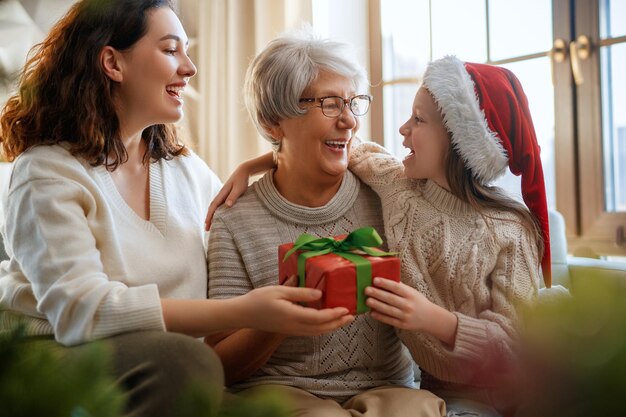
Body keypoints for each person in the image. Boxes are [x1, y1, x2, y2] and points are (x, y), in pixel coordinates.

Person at [0, 2, 354, 416]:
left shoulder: (184, 170)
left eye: (187, 51)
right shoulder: (46, 173)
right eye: (171, 50)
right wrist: (245, 311)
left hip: (168, 369)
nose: (190, 68)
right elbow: (82, 313)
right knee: (186, 363)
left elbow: (345, 157)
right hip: (56, 359)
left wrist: (262, 162)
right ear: (113, 62)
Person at [209, 56, 550, 417]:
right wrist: (255, 164)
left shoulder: (507, 227)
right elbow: (324, 146)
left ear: (459, 141)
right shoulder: (396, 184)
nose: (351, 121)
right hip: (397, 390)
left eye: (418, 119)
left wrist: (434, 319)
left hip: (484, 396)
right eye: (329, 103)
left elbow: (520, 348)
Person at [205, 29, 445, 417]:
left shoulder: (387, 192)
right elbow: (220, 366)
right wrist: (275, 322)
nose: (349, 120)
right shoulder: (235, 220)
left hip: (385, 386)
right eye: (330, 105)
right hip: (279, 391)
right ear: (273, 122)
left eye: (353, 103)